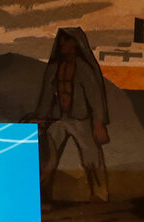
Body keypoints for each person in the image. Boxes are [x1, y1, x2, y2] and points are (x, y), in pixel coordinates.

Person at [34, 27, 110, 202]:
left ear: (75, 44)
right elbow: (47, 95)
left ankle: (100, 195)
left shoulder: (83, 68)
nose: (61, 44)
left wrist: (98, 122)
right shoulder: (54, 68)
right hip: (59, 119)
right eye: (61, 40)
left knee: (92, 158)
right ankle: (42, 196)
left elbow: (95, 97)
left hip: (81, 119)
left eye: (66, 40)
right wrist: (41, 118)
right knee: (46, 158)